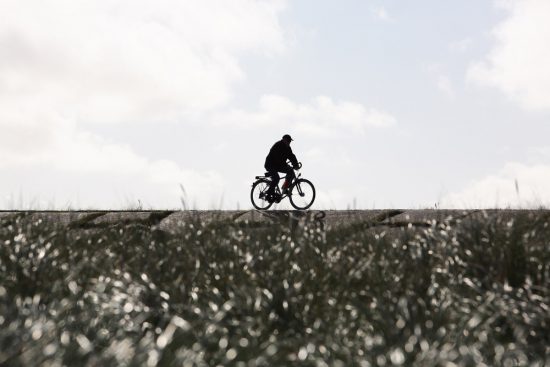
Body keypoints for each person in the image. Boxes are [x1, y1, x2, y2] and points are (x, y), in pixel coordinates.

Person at [264, 134, 300, 200]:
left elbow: (291, 156)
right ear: (284, 140)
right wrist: (285, 165)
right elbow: (277, 158)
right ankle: (268, 194)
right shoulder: (277, 145)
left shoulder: (288, 148)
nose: (289, 142)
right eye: (288, 141)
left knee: (291, 172)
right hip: (270, 164)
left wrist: (296, 164)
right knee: (276, 178)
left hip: (278, 165)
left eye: (290, 141)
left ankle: (285, 187)